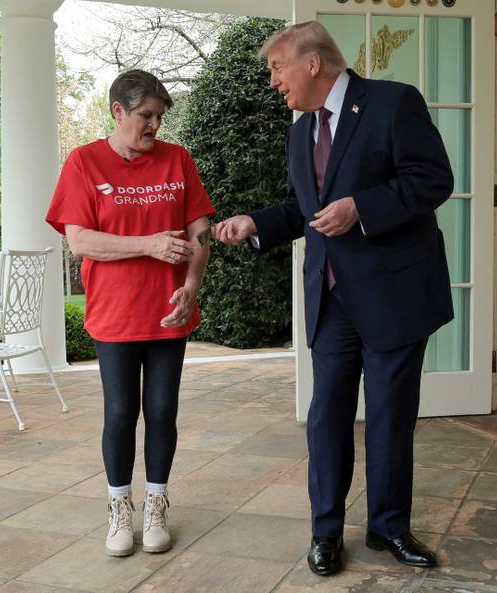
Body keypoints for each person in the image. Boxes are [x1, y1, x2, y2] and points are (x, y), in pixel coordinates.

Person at [213, 22, 453, 575]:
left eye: (277, 68)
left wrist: (361, 208)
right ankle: (325, 532)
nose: (274, 82)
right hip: (330, 299)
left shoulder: (394, 104)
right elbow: (304, 209)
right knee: (327, 418)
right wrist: (257, 222)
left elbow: (433, 179)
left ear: (313, 63)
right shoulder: (300, 133)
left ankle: (389, 529)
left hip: (392, 295)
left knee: (391, 419)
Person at [46, 70, 215, 557]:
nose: (155, 126)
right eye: (146, 116)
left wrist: (191, 284)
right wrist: (149, 245)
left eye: (160, 117)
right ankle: (120, 509)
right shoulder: (84, 162)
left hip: (170, 311)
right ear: (118, 110)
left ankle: (156, 503)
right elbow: (79, 241)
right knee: (121, 413)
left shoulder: (177, 159)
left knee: (163, 411)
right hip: (115, 314)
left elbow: (200, 228)